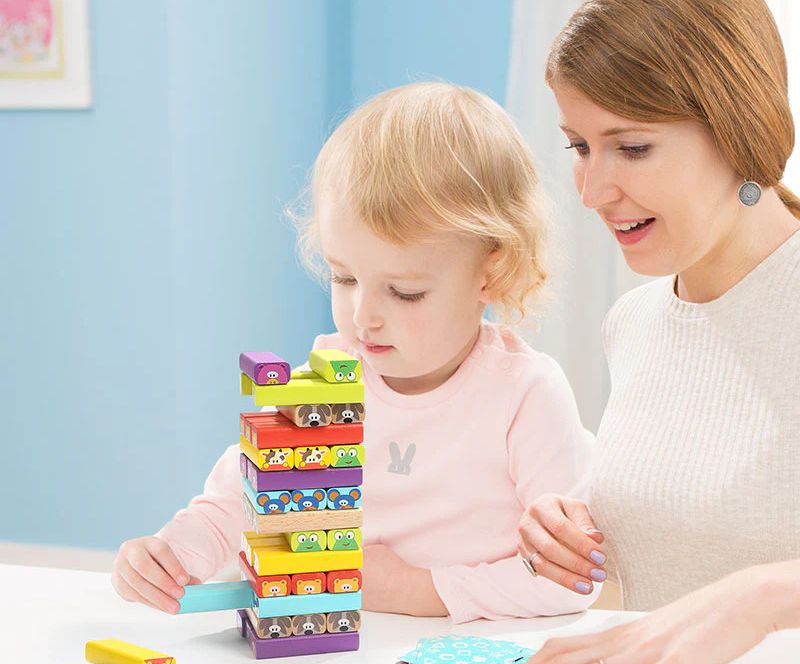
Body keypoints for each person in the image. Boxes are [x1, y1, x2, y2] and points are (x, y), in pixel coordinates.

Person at [112, 82, 603, 623]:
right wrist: (171, 555)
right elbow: (241, 499)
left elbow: (570, 581)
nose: (363, 315)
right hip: (342, 646)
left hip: (474, 656)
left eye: (405, 291)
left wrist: (417, 591)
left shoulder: (524, 394)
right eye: (343, 277)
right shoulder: (327, 380)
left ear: (491, 271)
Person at [481, 0, 800, 664]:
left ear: (736, 127)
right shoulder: (637, 324)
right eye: (579, 147)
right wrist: (565, 525)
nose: (593, 192)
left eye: (630, 148)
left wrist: (766, 594)